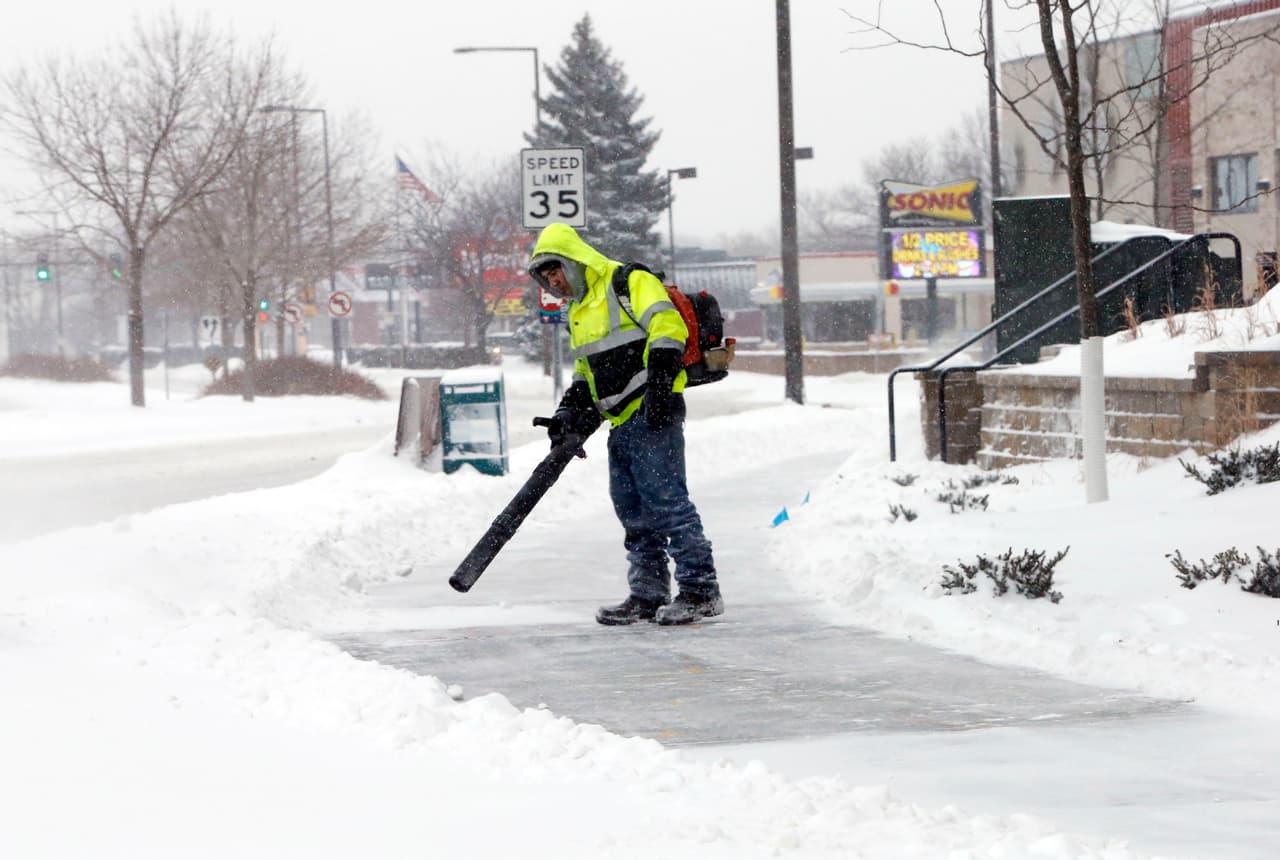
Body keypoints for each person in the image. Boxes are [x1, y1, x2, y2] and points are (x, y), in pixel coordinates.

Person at [527, 222, 723, 626]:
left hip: (655, 412)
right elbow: (586, 370)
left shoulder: (628, 280)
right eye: (546, 278)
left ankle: (701, 590)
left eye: (556, 271)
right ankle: (648, 594)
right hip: (621, 420)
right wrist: (569, 411)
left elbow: (668, 327)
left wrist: (662, 388)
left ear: (573, 262)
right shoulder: (578, 310)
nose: (553, 282)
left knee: (667, 504)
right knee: (633, 510)